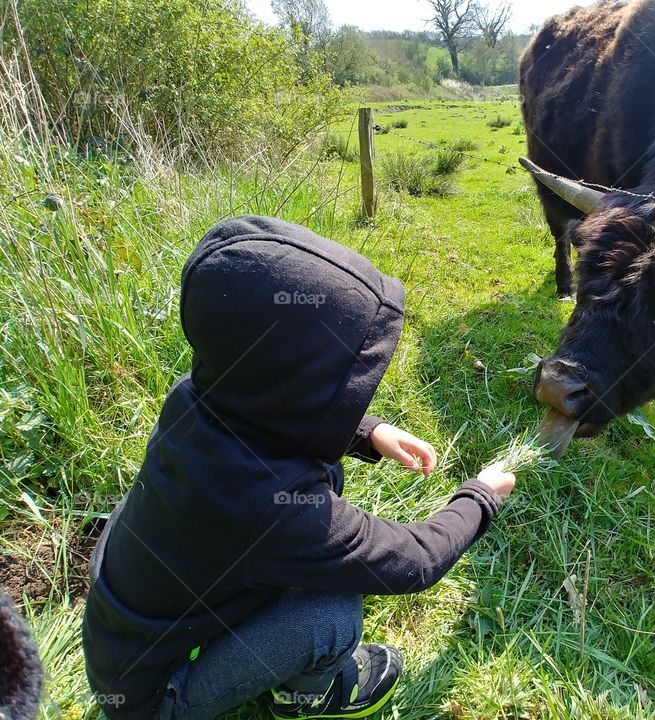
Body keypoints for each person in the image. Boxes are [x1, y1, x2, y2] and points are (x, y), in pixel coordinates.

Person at [81, 216, 516, 720]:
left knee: (310, 496)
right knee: (331, 613)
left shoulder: (196, 396)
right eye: (341, 376)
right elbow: (414, 561)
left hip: (123, 633)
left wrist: (368, 432)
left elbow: (269, 408)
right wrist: (481, 496)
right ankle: (306, 696)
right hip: (154, 696)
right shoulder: (274, 508)